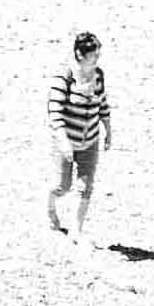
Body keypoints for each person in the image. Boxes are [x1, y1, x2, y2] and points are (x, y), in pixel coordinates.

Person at [48, 31, 112, 236]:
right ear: (80, 55)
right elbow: (54, 112)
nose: (97, 58)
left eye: (98, 54)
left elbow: (102, 103)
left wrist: (108, 130)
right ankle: (50, 206)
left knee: (85, 186)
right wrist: (63, 141)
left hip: (90, 139)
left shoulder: (98, 75)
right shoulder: (64, 77)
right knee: (62, 186)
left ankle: (76, 230)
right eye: (93, 55)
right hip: (67, 140)